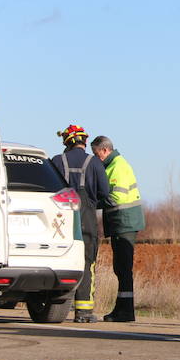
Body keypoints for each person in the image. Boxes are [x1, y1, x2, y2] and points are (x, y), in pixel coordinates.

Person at [51, 124, 111, 323]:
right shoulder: (94, 162)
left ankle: (52, 308)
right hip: (86, 220)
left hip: (59, 222)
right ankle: (83, 312)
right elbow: (105, 192)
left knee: (57, 262)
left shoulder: (57, 161)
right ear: (84, 141)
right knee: (86, 263)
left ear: (66, 142)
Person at [91, 135, 145, 322]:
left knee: (123, 268)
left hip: (125, 222)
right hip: (121, 222)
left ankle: (126, 311)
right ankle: (122, 309)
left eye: (96, 154)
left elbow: (116, 197)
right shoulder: (114, 165)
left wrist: (92, 204)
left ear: (105, 150)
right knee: (121, 268)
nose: (95, 158)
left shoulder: (118, 167)